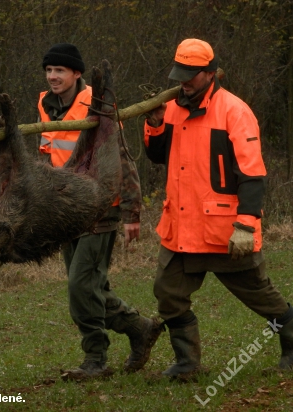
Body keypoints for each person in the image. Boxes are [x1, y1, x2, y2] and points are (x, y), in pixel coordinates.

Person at [144, 38, 293, 380]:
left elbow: (253, 174)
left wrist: (246, 224)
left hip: (224, 232)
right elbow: (157, 156)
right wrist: (154, 124)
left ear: (210, 73)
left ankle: (292, 339)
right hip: (180, 229)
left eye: (190, 75)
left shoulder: (235, 111)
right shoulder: (172, 108)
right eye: (179, 73)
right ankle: (187, 363)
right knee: (168, 294)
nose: (182, 81)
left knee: (263, 299)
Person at [38, 43, 162, 380]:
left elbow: (122, 157)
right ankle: (139, 328)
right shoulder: (45, 104)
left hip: (99, 208)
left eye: (59, 71)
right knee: (91, 287)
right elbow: (50, 157)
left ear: (77, 73)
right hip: (66, 210)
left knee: (81, 287)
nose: (52, 77)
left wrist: (131, 211)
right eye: (49, 71)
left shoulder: (99, 104)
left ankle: (96, 359)